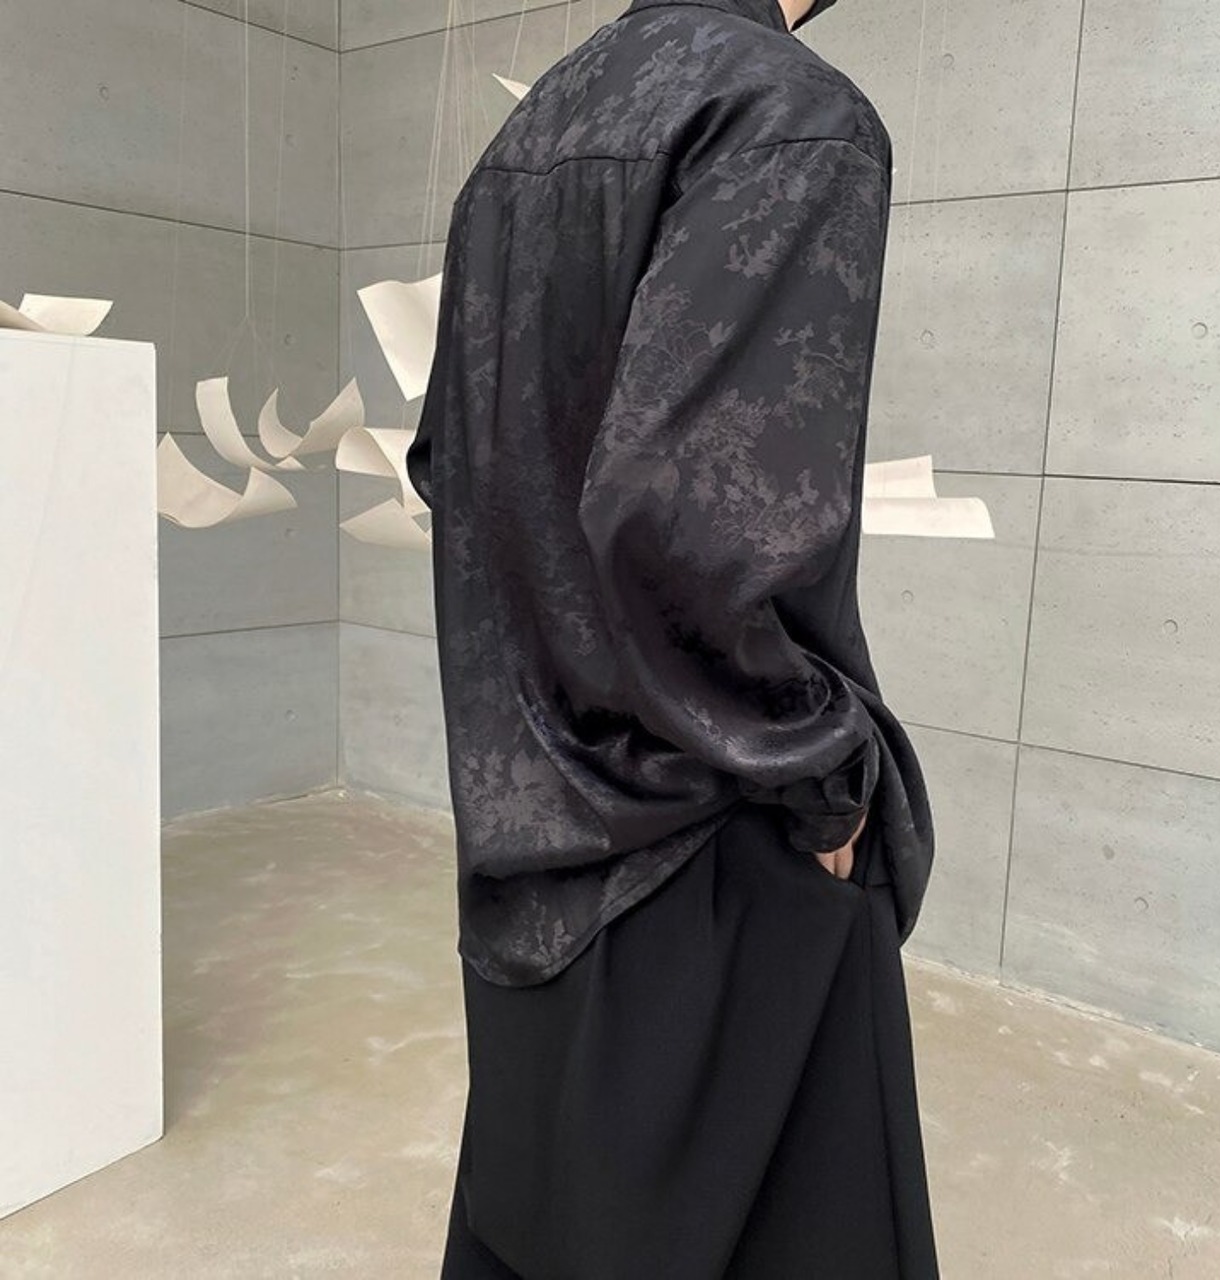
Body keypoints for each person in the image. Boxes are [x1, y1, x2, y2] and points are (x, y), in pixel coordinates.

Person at [406, 0, 940, 1274]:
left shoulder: (530, 132)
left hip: (532, 834)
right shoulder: (788, 110)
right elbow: (690, 516)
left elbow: (447, 465)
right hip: (713, 834)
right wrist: (821, 776)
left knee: (544, 1223)